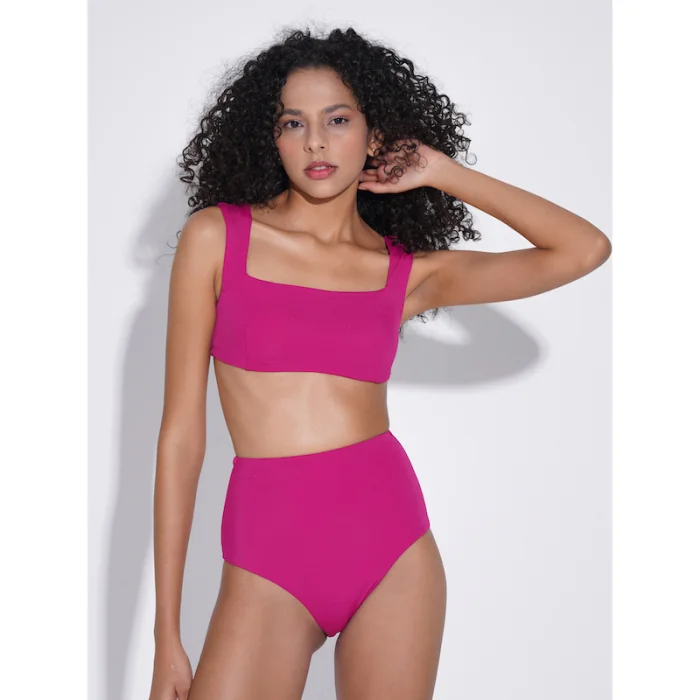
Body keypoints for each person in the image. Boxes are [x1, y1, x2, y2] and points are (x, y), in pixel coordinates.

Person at [148, 26, 611, 700]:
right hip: (267, 550)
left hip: (390, 544)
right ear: (269, 138)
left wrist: (444, 171)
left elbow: (584, 249)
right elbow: (181, 438)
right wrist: (166, 633)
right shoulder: (217, 238)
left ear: (374, 136)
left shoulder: (405, 273)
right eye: (293, 123)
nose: (315, 141)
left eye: (338, 120)